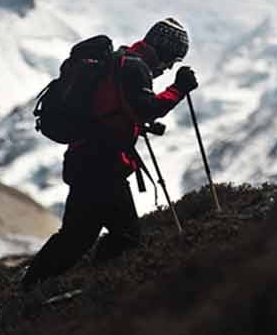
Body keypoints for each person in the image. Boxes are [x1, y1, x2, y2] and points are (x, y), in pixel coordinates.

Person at [21, 17, 198, 289]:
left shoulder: (122, 61)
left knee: (77, 236)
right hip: (103, 166)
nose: (169, 67)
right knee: (126, 237)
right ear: (162, 51)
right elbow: (146, 107)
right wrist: (179, 88)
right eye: (172, 59)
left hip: (86, 160)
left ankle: (31, 289)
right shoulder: (135, 69)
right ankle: (98, 287)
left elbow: (116, 109)